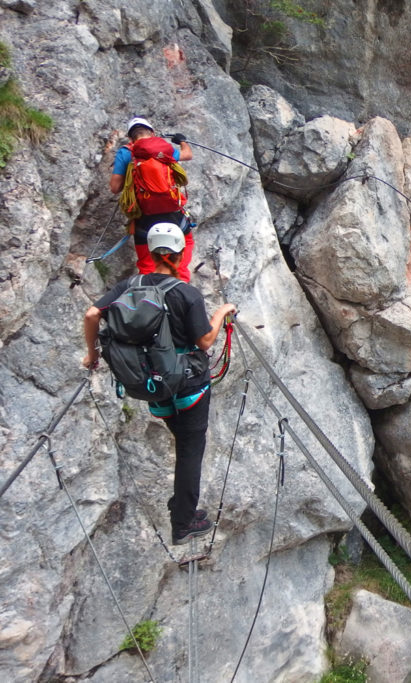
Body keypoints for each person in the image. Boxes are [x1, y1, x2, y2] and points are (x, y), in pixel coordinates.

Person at [82, 223, 236, 545]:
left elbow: (92, 314)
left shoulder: (129, 285)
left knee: (183, 441)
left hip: (152, 387)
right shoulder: (186, 293)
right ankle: (183, 522)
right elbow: (206, 341)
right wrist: (222, 312)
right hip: (190, 386)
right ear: (179, 254)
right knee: (191, 451)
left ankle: (181, 501)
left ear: (151, 253)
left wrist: (91, 355)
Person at [110, 116, 196, 282]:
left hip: (145, 218)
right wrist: (182, 141)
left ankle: (146, 299)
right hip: (174, 215)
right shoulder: (163, 149)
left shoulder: (126, 152)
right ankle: (180, 293)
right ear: (152, 133)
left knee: (147, 266)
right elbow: (187, 155)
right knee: (182, 258)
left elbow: (115, 188)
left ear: (130, 138)